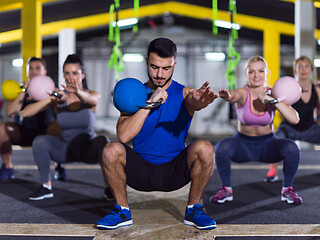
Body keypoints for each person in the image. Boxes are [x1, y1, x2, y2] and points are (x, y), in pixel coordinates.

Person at [95, 38, 218, 230]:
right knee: (110, 150)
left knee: (205, 148)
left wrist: (201, 102)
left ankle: (194, 209)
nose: (159, 74)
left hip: (174, 171)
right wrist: (150, 103)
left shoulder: (185, 93)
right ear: (146, 62)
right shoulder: (135, 94)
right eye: (154, 67)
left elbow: (196, 103)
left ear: (174, 64)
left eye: (166, 68)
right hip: (141, 171)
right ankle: (122, 211)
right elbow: (124, 136)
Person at [209, 56, 302, 205]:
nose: (256, 75)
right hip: (243, 146)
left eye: (260, 71)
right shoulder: (243, 92)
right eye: (251, 71)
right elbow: (234, 95)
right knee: (222, 147)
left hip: (267, 146)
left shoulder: (274, 93)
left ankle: (287, 190)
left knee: (292, 147)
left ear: (266, 73)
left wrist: (272, 101)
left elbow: (295, 119)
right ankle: (226, 189)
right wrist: (228, 96)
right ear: (246, 74)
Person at [21, 54, 109, 200]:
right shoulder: (58, 98)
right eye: (67, 73)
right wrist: (50, 98)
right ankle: (46, 186)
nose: (70, 77)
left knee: (103, 141)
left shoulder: (92, 95)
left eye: (75, 73)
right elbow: (25, 113)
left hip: (88, 149)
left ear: (82, 75)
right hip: (65, 151)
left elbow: (89, 99)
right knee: (40, 141)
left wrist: (77, 92)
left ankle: (109, 187)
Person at [0, 57, 61, 181]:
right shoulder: (22, 89)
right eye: (30, 68)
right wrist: (23, 92)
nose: (33, 71)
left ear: (44, 71)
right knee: (2, 129)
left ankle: (59, 166)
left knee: (57, 126)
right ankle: (7, 167)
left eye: (37, 68)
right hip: (26, 131)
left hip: (46, 132)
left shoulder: (52, 89)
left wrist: (52, 98)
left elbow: (61, 113)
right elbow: (10, 112)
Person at [264, 56, 320, 182]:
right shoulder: (288, 87)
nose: (303, 69)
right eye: (299, 66)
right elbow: (275, 103)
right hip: (289, 128)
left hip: (310, 128)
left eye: (306, 66)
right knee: (274, 141)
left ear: (311, 69)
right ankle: (272, 171)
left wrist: (318, 90)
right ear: (295, 70)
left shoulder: (316, 89)